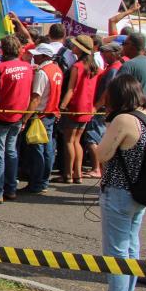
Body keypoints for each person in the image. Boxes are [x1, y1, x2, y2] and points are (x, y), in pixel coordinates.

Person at [82, 74, 146, 291]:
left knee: (116, 250)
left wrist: (98, 141)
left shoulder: (123, 119)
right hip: (139, 191)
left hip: (118, 191)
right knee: (131, 246)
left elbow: (102, 154)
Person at [0, 35, 33, 203]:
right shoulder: (27, 68)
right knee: (11, 153)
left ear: (2, 50)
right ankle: (10, 189)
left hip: (1, 117)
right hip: (18, 116)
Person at [22, 43, 64, 195]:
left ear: (45, 56)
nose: (34, 56)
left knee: (38, 151)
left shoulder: (42, 72)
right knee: (48, 151)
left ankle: (37, 183)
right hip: (51, 113)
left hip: (40, 115)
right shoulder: (57, 69)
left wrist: (25, 118)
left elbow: (36, 98)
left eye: (37, 55)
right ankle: (43, 181)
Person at [58, 36, 100, 184]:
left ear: (80, 49)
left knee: (69, 141)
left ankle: (69, 174)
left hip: (74, 107)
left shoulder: (78, 66)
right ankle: (78, 174)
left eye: (75, 46)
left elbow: (71, 89)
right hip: (87, 109)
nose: (72, 48)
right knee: (77, 141)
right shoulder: (94, 67)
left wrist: (61, 106)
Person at [86, 44, 123, 178]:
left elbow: (107, 92)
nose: (102, 54)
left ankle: (97, 168)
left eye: (105, 52)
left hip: (101, 109)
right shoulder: (113, 68)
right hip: (104, 109)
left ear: (113, 53)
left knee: (92, 138)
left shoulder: (114, 69)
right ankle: (99, 168)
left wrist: (95, 107)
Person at [119, 32, 146, 102]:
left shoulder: (128, 65)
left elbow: (117, 91)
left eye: (124, 43)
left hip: (128, 110)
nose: (122, 46)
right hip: (144, 110)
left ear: (132, 46)